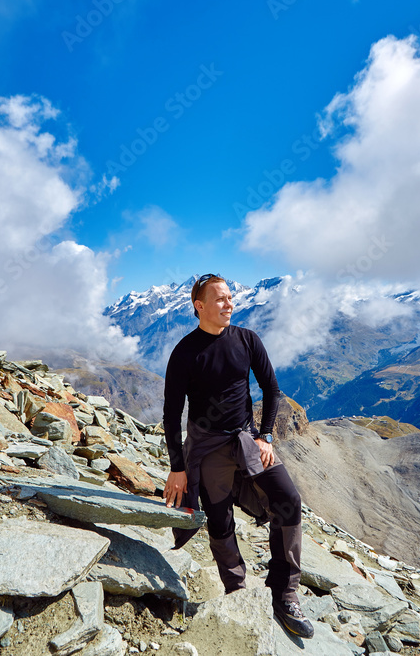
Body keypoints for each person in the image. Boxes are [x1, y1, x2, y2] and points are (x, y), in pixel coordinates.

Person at [162, 273, 314, 639]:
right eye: (220, 299)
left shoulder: (247, 340)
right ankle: (237, 591)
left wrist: (265, 436)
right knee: (219, 520)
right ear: (200, 306)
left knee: (288, 501)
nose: (229, 304)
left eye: (231, 298)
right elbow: (171, 413)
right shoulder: (185, 352)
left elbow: (271, 388)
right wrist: (178, 468)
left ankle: (285, 594)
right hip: (207, 447)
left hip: (248, 440)